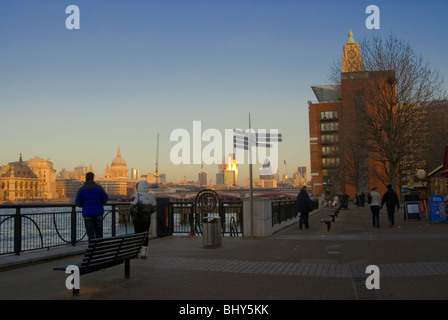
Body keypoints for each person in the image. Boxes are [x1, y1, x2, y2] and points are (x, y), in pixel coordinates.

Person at [75, 172, 108, 243]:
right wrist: (99, 204)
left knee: (90, 235)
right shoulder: (99, 187)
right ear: (93, 178)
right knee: (99, 234)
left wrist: (85, 205)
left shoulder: (82, 189)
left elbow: (77, 203)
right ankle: (100, 250)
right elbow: (105, 199)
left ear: (85, 178)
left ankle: (92, 250)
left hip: (88, 214)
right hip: (98, 213)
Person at [130, 180, 157, 259]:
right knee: (145, 235)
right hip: (147, 219)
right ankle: (144, 253)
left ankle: (137, 252)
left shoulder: (136, 196)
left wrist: (133, 213)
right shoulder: (151, 196)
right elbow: (154, 209)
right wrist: (148, 212)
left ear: (139, 187)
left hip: (137, 219)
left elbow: (131, 208)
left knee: (137, 234)